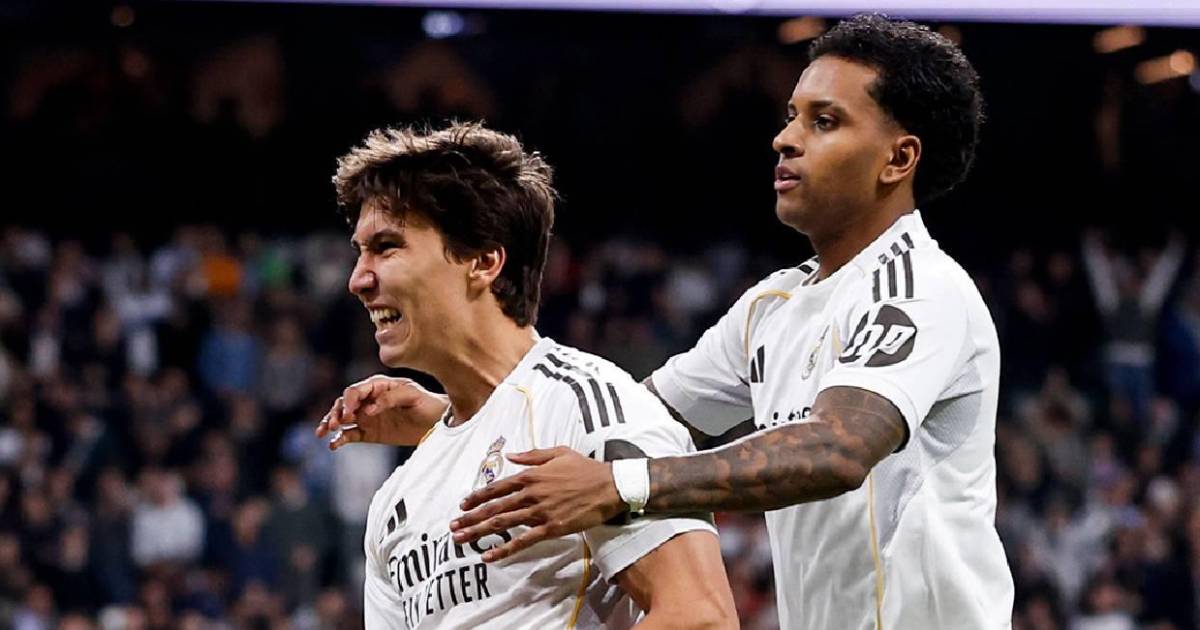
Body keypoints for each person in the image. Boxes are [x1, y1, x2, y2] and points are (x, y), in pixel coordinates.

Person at [325, 14, 1014, 629]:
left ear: (899, 158)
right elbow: (627, 415)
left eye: (824, 121)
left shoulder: (919, 288)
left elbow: (839, 450)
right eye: (792, 116)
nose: (785, 139)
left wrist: (620, 485)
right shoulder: (774, 307)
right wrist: (461, 416)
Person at [317, 122, 737, 629]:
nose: (358, 279)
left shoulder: (588, 406)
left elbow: (700, 616)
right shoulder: (394, 499)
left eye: (387, 247)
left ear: (483, 261)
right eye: (360, 252)